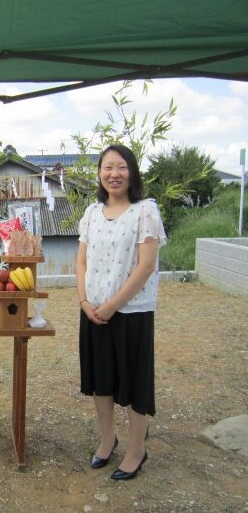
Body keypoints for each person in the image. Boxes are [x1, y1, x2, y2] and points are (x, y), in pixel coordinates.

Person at [76, 144, 166, 481]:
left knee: (134, 383)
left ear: (132, 172)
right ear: (99, 173)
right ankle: (107, 439)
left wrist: (113, 304)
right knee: (102, 383)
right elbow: (81, 261)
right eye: (107, 167)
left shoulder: (145, 211)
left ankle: (136, 450)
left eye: (121, 167)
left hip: (131, 313)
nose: (114, 174)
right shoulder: (91, 213)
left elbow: (145, 266)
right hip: (94, 311)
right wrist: (84, 302)